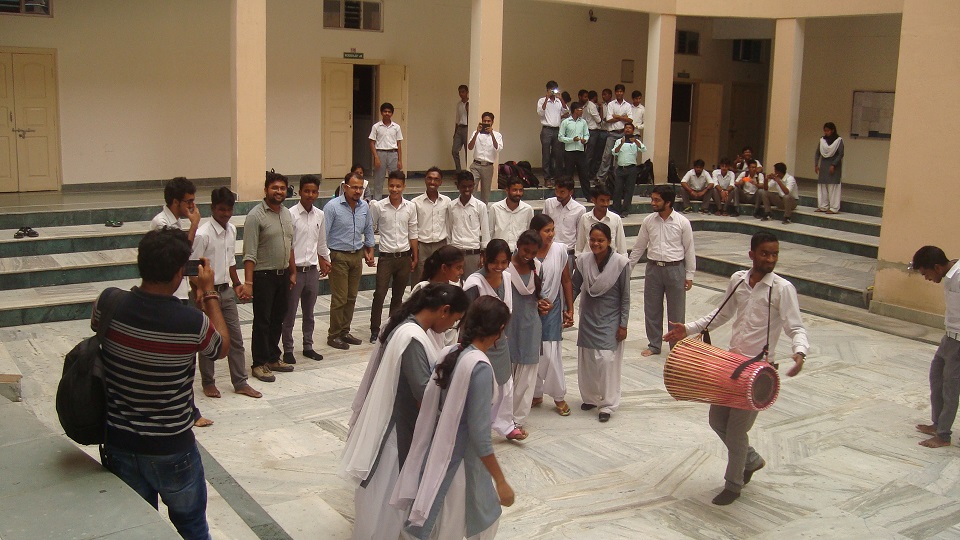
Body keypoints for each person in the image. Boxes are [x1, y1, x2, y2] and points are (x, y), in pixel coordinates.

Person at [95, 228, 228, 539]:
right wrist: (208, 293)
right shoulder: (191, 323)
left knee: (139, 530)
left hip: (120, 442)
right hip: (173, 450)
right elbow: (220, 348)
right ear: (180, 272)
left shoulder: (108, 303)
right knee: (193, 528)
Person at [663, 231, 808, 505]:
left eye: (774, 254)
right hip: (730, 366)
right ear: (751, 254)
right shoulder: (738, 280)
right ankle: (750, 460)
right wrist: (689, 328)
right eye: (765, 253)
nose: (770, 259)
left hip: (760, 373)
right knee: (716, 421)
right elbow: (721, 314)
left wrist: (799, 352)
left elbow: (795, 326)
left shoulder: (782, 289)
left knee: (737, 430)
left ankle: (734, 484)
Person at [340, 284, 468, 540]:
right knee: (385, 498)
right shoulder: (412, 338)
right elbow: (424, 391)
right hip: (395, 431)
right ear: (444, 311)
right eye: (454, 321)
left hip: (400, 424)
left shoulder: (410, 328)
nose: (451, 328)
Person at [391, 295, 515, 540]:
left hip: (438, 455)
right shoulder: (479, 368)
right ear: (499, 331)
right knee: (461, 524)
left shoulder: (452, 352)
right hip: (461, 464)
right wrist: (500, 481)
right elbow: (480, 437)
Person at [190, 187, 261, 400]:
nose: (226, 214)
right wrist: (200, 293)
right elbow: (192, 269)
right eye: (221, 209)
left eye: (229, 209)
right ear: (212, 208)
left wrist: (238, 283)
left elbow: (230, 261)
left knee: (236, 338)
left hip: (226, 290)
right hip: (206, 293)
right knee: (208, 339)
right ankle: (208, 382)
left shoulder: (231, 230)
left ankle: (240, 381)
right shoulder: (203, 234)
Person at [463, 239, 526, 441]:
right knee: (482, 386)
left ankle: (506, 425)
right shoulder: (474, 283)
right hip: (480, 344)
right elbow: (467, 319)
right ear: (485, 260)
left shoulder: (507, 278)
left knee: (505, 383)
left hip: (501, 341)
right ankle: (475, 425)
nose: (499, 267)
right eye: (495, 262)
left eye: (503, 262)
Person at [572, 223, 630, 422]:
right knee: (588, 358)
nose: (596, 244)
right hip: (588, 316)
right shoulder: (583, 261)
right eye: (593, 240)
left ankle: (608, 404)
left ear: (609, 241)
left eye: (600, 240)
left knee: (606, 360)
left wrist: (623, 324)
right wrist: (566, 309)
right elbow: (574, 286)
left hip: (610, 318)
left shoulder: (620, 263)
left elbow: (625, 297)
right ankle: (590, 397)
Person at [242, 170, 297, 383]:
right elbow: (249, 253)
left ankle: (274, 358)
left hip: (283, 275)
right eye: (275, 188)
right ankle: (259, 363)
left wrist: (292, 271)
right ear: (266, 190)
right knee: (262, 321)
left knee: (278, 319)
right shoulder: (255, 216)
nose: (279, 191)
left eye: (282, 188)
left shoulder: (286, 214)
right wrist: (248, 283)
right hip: (263, 275)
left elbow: (289, 244)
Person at [628, 184, 695, 358]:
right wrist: (628, 269)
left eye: (657, 200)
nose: (653, 203)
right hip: (653, 269)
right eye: (652, 199)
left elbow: (689, 249)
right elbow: (639, 247)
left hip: (675, 269)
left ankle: (676, 347)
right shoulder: (648, 221)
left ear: (668, 202)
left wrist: (690, 275)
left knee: (676, 311)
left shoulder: (682, 222)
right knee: (652, 309)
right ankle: (654, 344)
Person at [911, 246, 960, 448]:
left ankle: (943, 436)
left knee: (950, 387)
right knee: (937, 377)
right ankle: (937, 423)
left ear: (937, 267)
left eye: (926, 274)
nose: (926, 278)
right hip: (949, 337)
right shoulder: (951, 274)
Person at [282, 174, 332, 364]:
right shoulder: (290, 214)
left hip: (312, 270)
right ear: (300, 192)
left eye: (314, 191)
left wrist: (325, 261)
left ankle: (308, 346)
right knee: (290, 313)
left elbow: (321, 242)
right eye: (306, 191)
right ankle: (287, 348)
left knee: (309, 313)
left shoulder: (320, 214)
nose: (310, 195)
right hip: (295, 271)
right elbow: (289, 246)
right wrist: (292, 271)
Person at [324, 171, 376, 350]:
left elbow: (369, 229)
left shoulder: (364, 207)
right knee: (340, 298)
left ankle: (345, 331)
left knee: (352, 296)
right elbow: (323, 234)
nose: (358, 191)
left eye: (360, 188)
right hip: (338, 255)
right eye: (354, 187)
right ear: (345, 187)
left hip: (357, 255)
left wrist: (370, 249)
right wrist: (324, 258)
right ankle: (334, 335)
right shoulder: (332, 207)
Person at [530, 215, 575, 417]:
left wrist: (570, 307)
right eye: (547, 230)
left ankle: (558, 396)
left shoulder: (560, 250)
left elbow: (566, 280)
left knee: (550, 352)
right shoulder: (525, 252)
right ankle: (536, 392)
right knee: (532, 351)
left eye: (552, 229)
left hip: (553, 308)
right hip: (530, 308)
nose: (551, 234)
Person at [508, 230, 551, 433]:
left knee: (526, 376)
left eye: (534, 252)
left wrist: (543, 305)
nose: (529, 256)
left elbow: (538, 296)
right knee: (506, 374)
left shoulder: (537, 267)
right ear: (517, 244)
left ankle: (517, 420)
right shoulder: (505, 266)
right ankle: (502, 416)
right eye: (526, 250)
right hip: (508, 324)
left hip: (530, 324)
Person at [370, 170, 419, 343]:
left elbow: (413, 231)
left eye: (398, 186)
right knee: (380, 293)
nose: (394, 189)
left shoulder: (410, 207)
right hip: (386, 257)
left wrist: (415, 255)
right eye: (391, 185)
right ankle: (375, 329)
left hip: (404, 257)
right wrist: (369, 250)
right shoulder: (379, 206)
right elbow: (370, 227)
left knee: (398, 296)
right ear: (387, 185)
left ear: (404, 187)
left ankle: (392, 327)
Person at [411, 245, 466, 349]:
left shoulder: (456, 288)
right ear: (444, 268)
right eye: (458, 268)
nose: (461, 272)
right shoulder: (423, 289)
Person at [411, 167, 451, 286]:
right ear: (425, 180)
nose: (432, 182)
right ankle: (417, 303)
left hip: (441, 245)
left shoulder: (447, 201)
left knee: (441, 278)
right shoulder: (415, 202)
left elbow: (449, 223)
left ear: (441, 182)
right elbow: (413, 227)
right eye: (430, 178)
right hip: (422, 246)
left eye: (436, 179)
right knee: (419, 279)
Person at [447, 170, 490, 272]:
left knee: (471, 285)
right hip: (455, 253)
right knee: (455, 285)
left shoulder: (480, 206)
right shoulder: (451, 206)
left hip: (473, 253)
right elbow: (449, 230)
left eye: (470, 186)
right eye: (463, 186)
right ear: (458, 186)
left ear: (474, 185)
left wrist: (483, 255)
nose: (467, 189)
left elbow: (485, 232)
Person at [543, 176, 586, 267]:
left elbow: (580, 234)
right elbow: (543, 226)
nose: (558, 194)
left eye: (562, 192)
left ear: (570, 192)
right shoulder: (549, 203)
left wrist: (577, 256)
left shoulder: (579, 209)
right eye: (556, 190)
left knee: (567, 280)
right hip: (549, 250)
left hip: (568, 252)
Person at [597, 84, 633, 184]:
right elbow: (608, 119)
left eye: (621, 91)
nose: (619, 93)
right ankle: (600, 178)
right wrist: (623, 117)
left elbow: (630, 120)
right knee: (607, 156)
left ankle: (618, 179)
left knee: (620, 158)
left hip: (622, 134)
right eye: (617, 91)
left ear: (623, 92)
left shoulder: (628, 105)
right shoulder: (611, 104)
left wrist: (617, 117)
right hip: (612, 134)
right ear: (615, 93)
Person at [576, 184, 626, 255]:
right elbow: (580, 244)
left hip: (610, 262)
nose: (606, 204)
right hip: (588, 261)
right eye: (602, 200)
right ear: (594, 200)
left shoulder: (616, 219)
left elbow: (622, 247)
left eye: (608, 200)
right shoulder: (585, 218)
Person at [369, 102, 404, 200]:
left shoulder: (396, 127)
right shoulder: (376, 127)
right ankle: (376, 201)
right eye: (385, 111)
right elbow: (371, 143)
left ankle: (398, 199)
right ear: (381, 112)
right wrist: (376, 157)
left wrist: (400, 160)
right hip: (380, 153)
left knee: (396, 178)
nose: (387, 113)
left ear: (392, 113)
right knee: (378, 180)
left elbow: (399, 144)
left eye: (389, 112)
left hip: (393, 154)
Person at [610, 121, 646, 216]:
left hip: (632, 169)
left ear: (633, 130)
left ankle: (625, 210)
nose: (627, 129)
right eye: (626, 128)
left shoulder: (636, 141)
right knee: (617, 189)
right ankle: (616, 208)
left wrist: (636, 142)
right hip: (621, 168)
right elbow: (614, 152)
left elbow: (643, 149)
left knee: (629, 190)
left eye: (630, 128)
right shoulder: (619, 141)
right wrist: (621, 144)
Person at [488, 176, 534, 251]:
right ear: (507, 190)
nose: (518, 193)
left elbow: (530, 233)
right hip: (498, 251)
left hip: (519, 253)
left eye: (520, 190)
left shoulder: (528, 209)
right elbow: (490, 232)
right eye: (515, 190)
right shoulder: (495, 208)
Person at [151, 176, 201, 243]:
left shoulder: (176, 219)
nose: (192, 205)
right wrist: (194, 224)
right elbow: (179, 252)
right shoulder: (161, 224)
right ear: (176, 202)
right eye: (189, 202)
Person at [468, 111, 504, 203]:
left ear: (492, 122)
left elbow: (497, 148)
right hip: (476, 165)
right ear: (482, 121)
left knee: (485, 192)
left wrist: (491, 134)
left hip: (488, 166)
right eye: (485, 121)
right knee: (471, 188)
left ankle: (483, 209)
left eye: (489, 121)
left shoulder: (497, 135)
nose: (486, 123)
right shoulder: (476, 133)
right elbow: (470, 147)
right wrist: (477, 132)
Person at [558, 102, 591, 199]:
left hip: (580, 151)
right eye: (579, 109)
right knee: (569, 174)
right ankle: (571, 195)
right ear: (574, 110)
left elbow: (587, 134)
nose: (581, 111)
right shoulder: (566, 122)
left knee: (584, 174)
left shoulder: (583, 122)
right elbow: (560, 137)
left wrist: (585, 140)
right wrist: (572, 140)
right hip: (569, 151)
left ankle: (588, 195)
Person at [537, 80, 567, 184]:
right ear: (547, 90)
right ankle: (547, 178)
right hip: (547, 129)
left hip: (557, 130)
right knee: (546, 155)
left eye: (554, 90)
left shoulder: (559, 101)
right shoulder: (542, 100)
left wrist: (561, 98)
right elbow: (540, 112)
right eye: (551, 90)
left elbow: (566, 111)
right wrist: (547, 98)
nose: (553, 92)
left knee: (558, 155)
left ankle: (557, 177)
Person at [815, 121, 844, 214]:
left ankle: (833, 208)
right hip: (824, 166)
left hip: (834, 167)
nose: (826, 133)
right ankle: (823, 206)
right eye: (825, 131)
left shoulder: (838, 141)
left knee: (833, 187)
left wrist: (833, 164)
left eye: (827, 131)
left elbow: (840, 154)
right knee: (822, 186)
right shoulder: (822, 140)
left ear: (832, 130)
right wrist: (816, 164)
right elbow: (817, 153)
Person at [581, 90, 603, 186]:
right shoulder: (587, 106)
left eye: (586, 97)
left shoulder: (587, 106)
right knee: (590, 154)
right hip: (590, 131)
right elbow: (598, 120)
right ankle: (587, 174)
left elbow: (596, 120)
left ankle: (587, 173)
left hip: (589, 131)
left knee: (589, 154)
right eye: (584, 96)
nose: (585, 98)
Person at [452, 84, 469, 171]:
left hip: (467, 128)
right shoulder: (458, 104)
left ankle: (468, 171)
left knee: (467, 152)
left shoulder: (470, 104)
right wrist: (455, 132)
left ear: (467, 92)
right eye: (459, 92)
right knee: (454, 150)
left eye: (463, 92)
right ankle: (458, 171)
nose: (461, 94)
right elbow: (457, 119)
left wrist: (468, 108)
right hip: (459, 128)